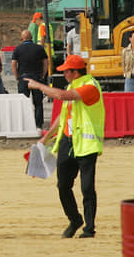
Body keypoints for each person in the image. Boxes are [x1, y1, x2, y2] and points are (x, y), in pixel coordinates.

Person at [27, 55, 104, 239]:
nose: (64, 74)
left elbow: (61, 96)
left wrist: (39, 86)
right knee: (63, 185)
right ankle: (75, 219)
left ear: (75, 72)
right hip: (68, 143)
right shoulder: (72, 85)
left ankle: (89, 228)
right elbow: (63, 118)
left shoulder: (90, 87)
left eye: (66, 71)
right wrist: (45, 139)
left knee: (87, 188)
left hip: (86, 144)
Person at [12, 30, 48, 133]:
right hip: (36, 78)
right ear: (31, 38)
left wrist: (17, 77)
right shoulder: (39, 48)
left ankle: (24, 125)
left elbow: (14, 64)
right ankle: (38, 125)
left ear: (21, 38)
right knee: (38, 103)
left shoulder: (18, 49)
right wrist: (42, 75)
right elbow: (46, 63)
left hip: (23, 78)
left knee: (23, 103)